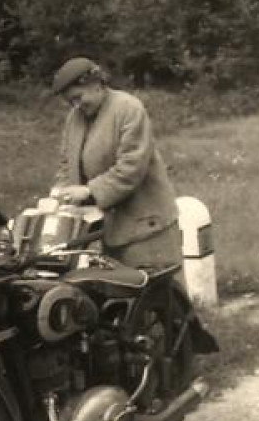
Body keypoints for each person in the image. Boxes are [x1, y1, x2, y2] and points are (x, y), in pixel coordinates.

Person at [50, 56, 183, 272]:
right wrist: (62, 192)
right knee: (121, 295)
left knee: (158, 293)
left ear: (96, 84)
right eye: (70, 102)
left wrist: (88, 191)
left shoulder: (128, 109)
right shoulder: (75, 119)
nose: (76, 105)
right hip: (110, 228)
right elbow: (67, 163)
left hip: (146, 226)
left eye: (78, 97)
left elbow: (132, 167)